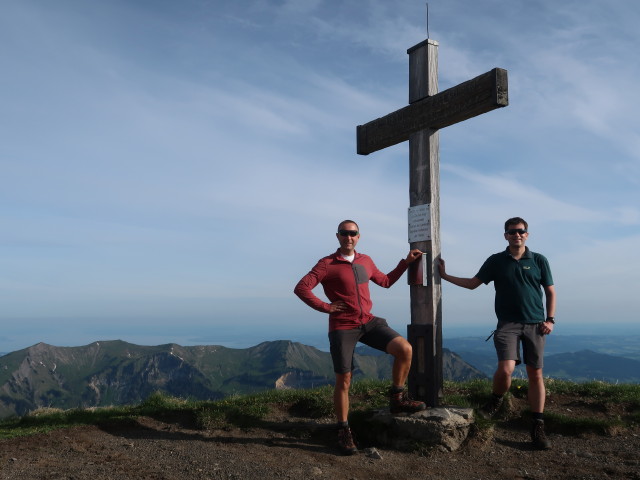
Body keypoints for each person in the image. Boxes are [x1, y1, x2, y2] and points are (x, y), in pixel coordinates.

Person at [294, 219, 427, 455]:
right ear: (338, 236)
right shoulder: (326, 264)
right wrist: (326, 307)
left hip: (369, 322)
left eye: (353, 233)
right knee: (344, 380)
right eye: (344, 233)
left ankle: (397, 399)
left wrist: (405, 263)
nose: (349, 237)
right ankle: (343, 429)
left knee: (405, 350)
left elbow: (385, 282)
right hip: (343, 326)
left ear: (359, 236)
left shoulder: (366, 261)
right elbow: (302, 287)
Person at [438, 217, 556, 450]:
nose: (517, 235)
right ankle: (496, 399)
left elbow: (550, 291)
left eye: (521, 231)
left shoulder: (539, 260)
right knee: (505, 369)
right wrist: (445, 276)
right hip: (507, 324)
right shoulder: (496, 261)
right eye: (512, 232)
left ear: (527, 235)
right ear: (506, 236)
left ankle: (537, 424)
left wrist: (550, 319)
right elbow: (473, 283)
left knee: (536, 374)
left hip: (535, 323)